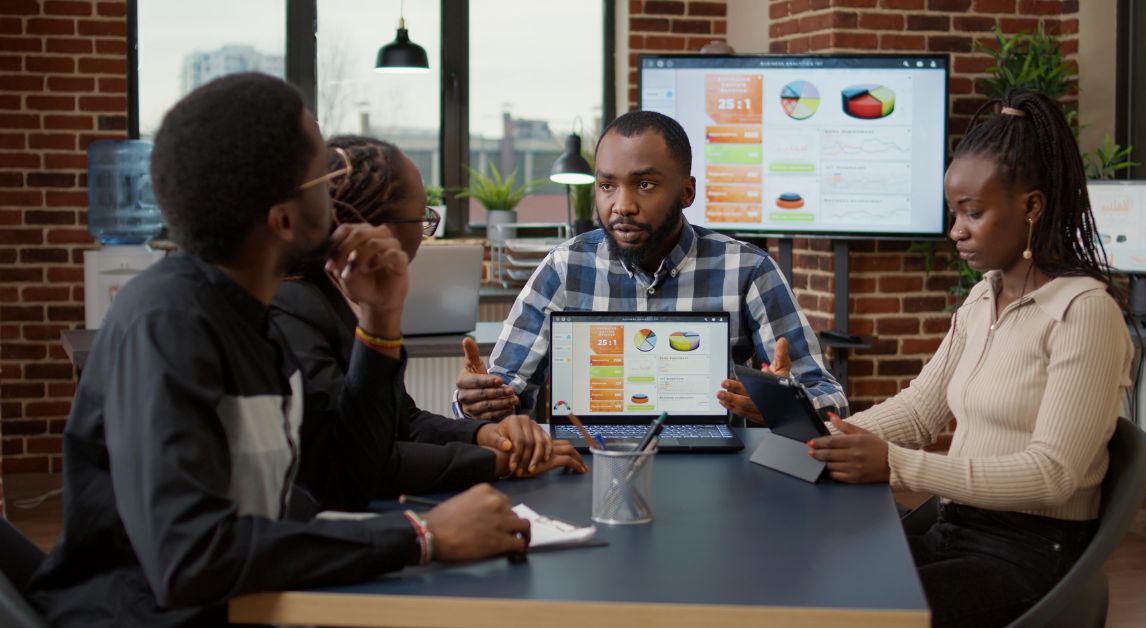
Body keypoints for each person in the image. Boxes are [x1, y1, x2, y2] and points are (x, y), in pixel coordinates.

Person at [27, 73, 529, 627]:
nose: (338, 191)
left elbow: (346, 478)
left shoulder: (248, 317)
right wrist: (421, 536)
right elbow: (191, 560)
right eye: (325, 172)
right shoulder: (169, 324)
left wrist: (380, 320)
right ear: (284, 218)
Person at [806, 90, 1134, 627]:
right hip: (955, 529)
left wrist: (895, 465)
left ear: (1031, 207)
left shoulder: (1083, 312)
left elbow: (1053, 475)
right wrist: (820, 438)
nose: (955, 230)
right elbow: (920, 410)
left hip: (1027, 554)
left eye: (972, 212)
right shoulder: (984, 296)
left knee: (857, 610)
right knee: (815, 577)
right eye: (953, 212)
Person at [453, 110, 846, 421]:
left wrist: (780, 406)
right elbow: (503, 396)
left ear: (686, 192)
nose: (622, 206)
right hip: (590, 460)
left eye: (644, 185)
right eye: (607, 186)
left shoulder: (748, 270)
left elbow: (831, 401)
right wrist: (476, 403)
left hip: (718, 468)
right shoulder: (565, 268)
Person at [271, 134, 587, 493]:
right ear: (377, 226)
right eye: (422, 217)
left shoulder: (339, 296)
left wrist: (487, 434)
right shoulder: (293, 309)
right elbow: (361, 462)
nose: (426, 235)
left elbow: (402, 421)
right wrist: (500, 461)